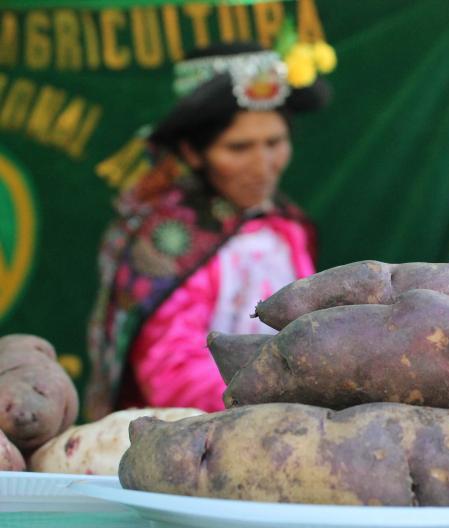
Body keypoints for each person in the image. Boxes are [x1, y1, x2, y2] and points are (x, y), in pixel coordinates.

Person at [84, 43, 330, 419]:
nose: (263, 165)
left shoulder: (288, 227)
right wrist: (280, 403)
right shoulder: (163, 238)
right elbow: (171, 371)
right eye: (238, 147)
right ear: (193, 152)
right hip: (189, 438)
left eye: (275, 143)